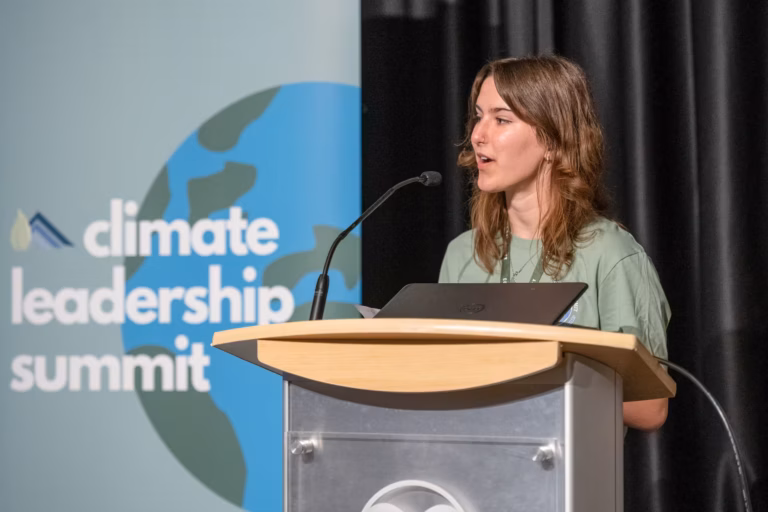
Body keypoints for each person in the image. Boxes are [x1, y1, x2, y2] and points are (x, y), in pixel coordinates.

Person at [439, 55, 670, 431]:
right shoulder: (464, 253)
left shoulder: (610, 254)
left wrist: (531, 370)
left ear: (551, 139)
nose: (478, 134)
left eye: (501, 119)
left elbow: (649, 408)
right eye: (478, 116)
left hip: (566, 476)